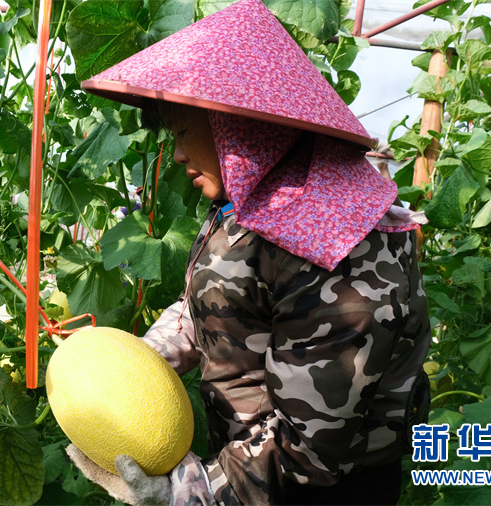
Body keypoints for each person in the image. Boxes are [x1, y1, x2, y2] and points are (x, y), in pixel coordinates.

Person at [66, 1, 432, 504]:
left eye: (181, 132)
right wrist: (140, 364)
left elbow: (309, 449)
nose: (175, 153)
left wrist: (185, 494)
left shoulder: (337, 243)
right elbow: (216, 302)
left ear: (237, 130)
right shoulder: (261, 199)